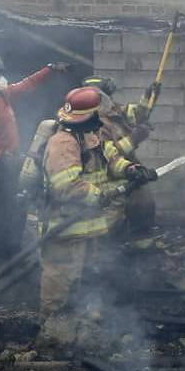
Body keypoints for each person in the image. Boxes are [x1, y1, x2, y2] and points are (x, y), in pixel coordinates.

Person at [38, 86, 157, 349]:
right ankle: (52, 336)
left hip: (91, 226)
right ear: (90, 116)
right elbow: (66, 185)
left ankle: (86, 331)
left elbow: (112, 160)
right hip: (65, 229)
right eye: (98, 114)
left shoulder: (91, 136)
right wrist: (100, 194)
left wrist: (132, 170)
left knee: (91, 278)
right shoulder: (63, 143)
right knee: (60, 281)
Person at [0, 56, 70, 260]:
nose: (0, 79)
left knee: (19, 207)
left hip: (14, 164)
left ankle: (14, 252)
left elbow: (27, 84)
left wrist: (49, 68)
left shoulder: (3, 95)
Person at [83, 75, 161, 233]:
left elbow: (139, 115)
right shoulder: (88, 123)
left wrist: (149, 96)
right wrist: (134, 138)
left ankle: (140, 246)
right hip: (107, 176)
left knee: (143, 202)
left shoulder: (114, 111)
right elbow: (104, 155)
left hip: (127, 168)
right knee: (123, 209)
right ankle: (107, 242)